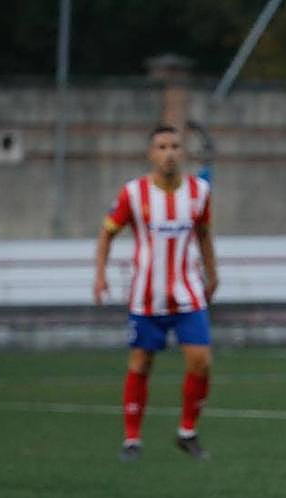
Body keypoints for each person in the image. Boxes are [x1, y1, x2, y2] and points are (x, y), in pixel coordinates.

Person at [93, 123, 218, 462]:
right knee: (141, 363)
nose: (169, 153)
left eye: (175, 146)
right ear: (151, 153)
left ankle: (187, 432)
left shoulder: (199, 191)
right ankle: (132, 439)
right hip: (146, 296)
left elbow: (205, 235)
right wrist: (100, 275)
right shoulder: (133, 193)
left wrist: (213, 274)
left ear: (183, 152)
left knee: (201, 361)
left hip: (188, 294)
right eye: (161, 147)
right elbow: (107, 233)